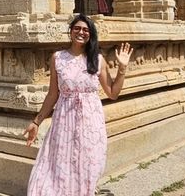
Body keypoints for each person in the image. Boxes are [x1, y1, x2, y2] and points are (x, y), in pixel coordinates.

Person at [24, 14, 133, 196]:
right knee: (61, 162)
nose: (81, 32)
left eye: (85, 30)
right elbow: (53, 94)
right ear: (71, 31)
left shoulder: (97, 60)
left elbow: (113, 93)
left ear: (90, 34)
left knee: (88, 161)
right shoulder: (58, 58)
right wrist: (36, 122)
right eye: (77, 28)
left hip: (90, 121)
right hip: (64, 119)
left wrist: (122, 69)